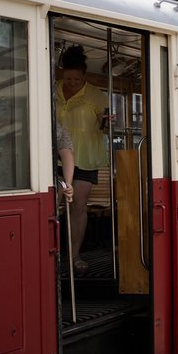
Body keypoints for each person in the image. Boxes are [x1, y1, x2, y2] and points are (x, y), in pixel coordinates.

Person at [56, 45, 109, 275]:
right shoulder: (53, 91)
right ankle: (52, 254)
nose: (72, 82)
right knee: (52, 205)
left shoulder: (96, 95)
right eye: (68, 78)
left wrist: (107, 121)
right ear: (61, 74)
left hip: (85, 157)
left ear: (84, 76)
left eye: (77, 78)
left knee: (77, 206)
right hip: (55, 156)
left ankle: (74, 255)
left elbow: (104, 124)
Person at [56, 121, 75, 205]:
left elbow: (66, 153)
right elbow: (66, 152)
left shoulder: (55, 125)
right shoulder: (53, 124)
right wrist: (68, 183)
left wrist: (67, 183)